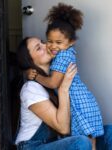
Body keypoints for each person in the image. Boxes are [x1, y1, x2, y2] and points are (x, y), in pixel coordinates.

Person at [15, 37, 112, 150]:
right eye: (39, 48)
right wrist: (63, 88)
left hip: (58, 142)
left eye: (43, 42)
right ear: (29, 61)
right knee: (80, 142)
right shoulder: (31, 88)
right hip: (33, 146)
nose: (46, 46)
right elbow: (63, 128)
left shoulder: (55, 75)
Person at [26, 3, 102, 150]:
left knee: (83, 141)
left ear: (71, 42)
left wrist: (36, 77)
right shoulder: (67, 52)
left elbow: (54, 83)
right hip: (86, 102)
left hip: (79, 105)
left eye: (59, 42)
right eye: (49, 41)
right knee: (90, 143)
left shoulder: (62, 57)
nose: (53, 46)